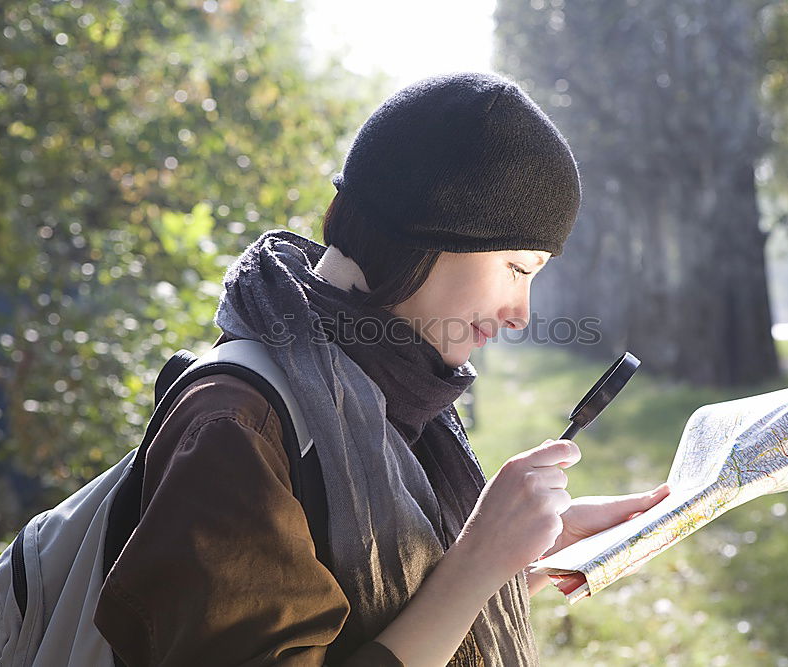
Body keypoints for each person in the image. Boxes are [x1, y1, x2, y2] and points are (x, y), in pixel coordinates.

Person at [93, 71, 670, 666]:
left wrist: (522, 559)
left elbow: (384, 625)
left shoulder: (393, 397)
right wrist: (476, 562)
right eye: (517, 268)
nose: (521, 314)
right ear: (430, 233)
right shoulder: (235, 427)